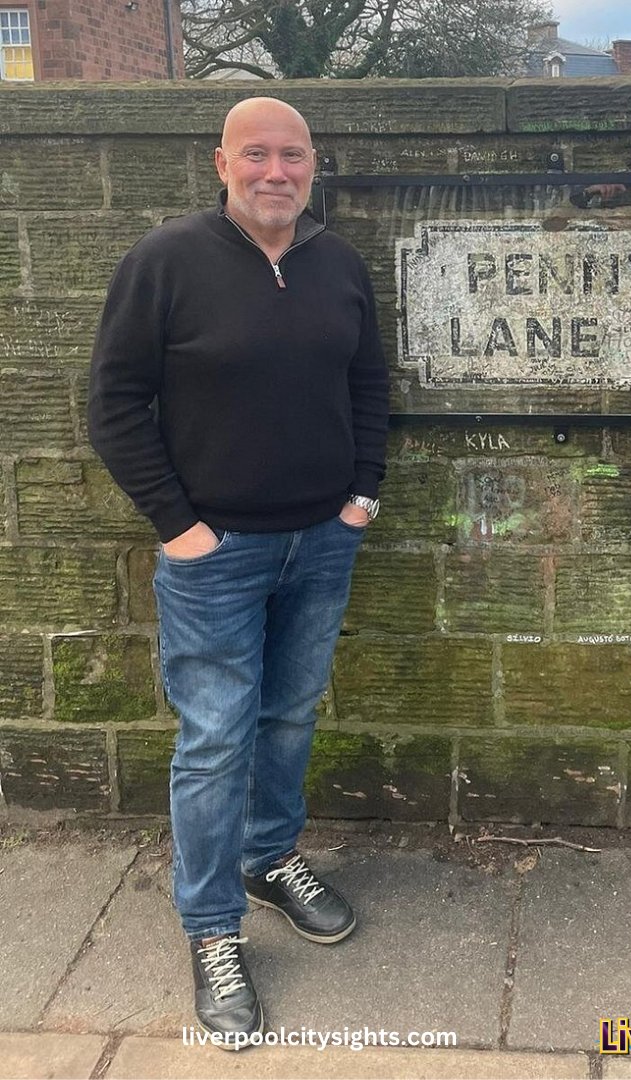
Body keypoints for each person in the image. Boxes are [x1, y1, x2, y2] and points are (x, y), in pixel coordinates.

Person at [88, 97, 390, 1043]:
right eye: (255, 154)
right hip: (215, 555)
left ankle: (270, 859)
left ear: (313, 164)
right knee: (216, 738)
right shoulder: (166, 261)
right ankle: (212, 927)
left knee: (292, 714)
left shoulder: (338, 264)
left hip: (322, 540)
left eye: (291, 155)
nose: (274, 171)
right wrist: (179, 528)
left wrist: (361, 497)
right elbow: (114, 402)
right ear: (220, 162)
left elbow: (370, 383)